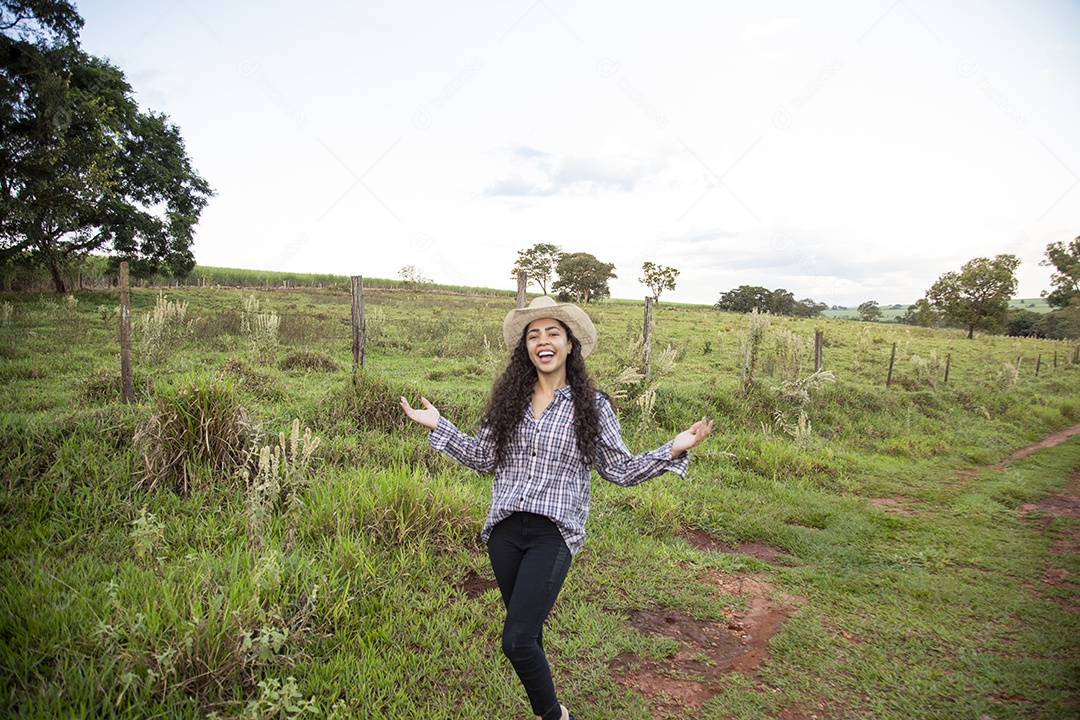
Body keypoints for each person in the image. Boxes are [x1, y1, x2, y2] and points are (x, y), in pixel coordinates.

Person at [400, 296, 714, 720]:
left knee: (516, 640)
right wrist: (441, 426)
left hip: (554, 534)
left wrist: (671, 450)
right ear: (526, 349)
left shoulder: (593, 407)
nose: (542, 342)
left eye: (552, 333)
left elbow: (618, 469)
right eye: (534, 336)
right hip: (504, 532)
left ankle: (555, 716)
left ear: (569, 345)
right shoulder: (509, 403)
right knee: (529, 632)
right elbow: (480, 458)